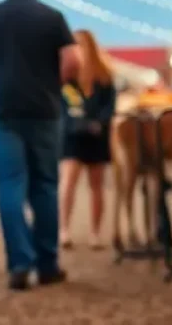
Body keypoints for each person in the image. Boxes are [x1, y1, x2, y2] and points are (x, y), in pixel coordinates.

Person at [0, 0, 80, 291]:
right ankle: (47, 264)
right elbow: (74, 59)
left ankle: (19, 263)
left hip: (4, 112)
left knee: (11, 186)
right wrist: (54, 83)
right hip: (44, 109)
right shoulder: (52, 17)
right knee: (44, 186)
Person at [59, 29, 116, 250]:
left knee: (97, 185)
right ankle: (63, 230)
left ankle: (95, 232)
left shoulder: (105, 78)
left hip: (96, 138)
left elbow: (109, 107)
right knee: (68, 182)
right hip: (72, 137)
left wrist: (98, 123)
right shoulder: (67, 79)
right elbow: (63, 108)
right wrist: (77, 123)